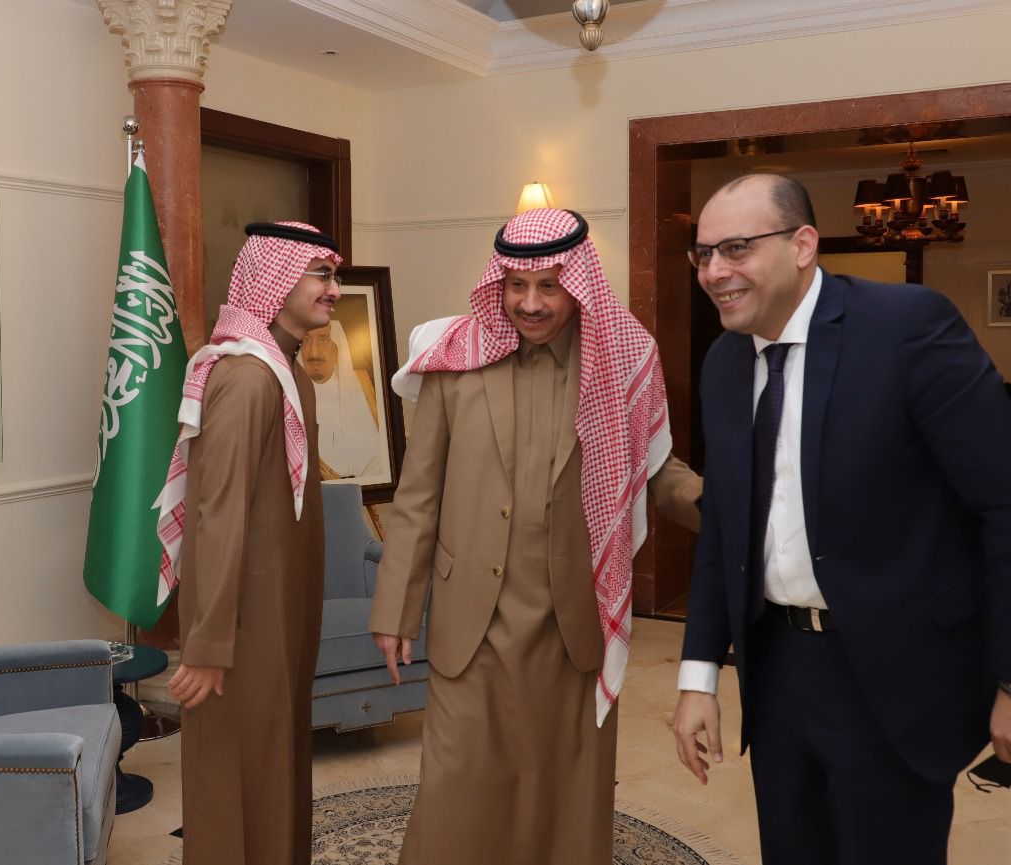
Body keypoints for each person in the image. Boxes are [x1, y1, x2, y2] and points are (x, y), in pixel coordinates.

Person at [671, 174, 1011, 865]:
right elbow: (724, 530)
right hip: (777, 671)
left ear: (803, 244)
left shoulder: (907, 328)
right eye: (703, 254)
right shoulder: (724, 364)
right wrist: (698, 675)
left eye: (736, 248)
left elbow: (1010, 507)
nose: (714, 271)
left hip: (897, 675)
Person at [369, 208, 702, 865]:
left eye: (549, 286)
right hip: (472, 618)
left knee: (563, 796)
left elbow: (656, 470)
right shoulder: (454, 359)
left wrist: (740, 514)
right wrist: (395, 609)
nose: (530, 303)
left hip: (569, 619)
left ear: (576, 284)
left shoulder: (618, 358)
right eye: (516, 286)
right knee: (458, 791)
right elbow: (417, 496)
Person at [156, 221, 342, 865]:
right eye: (320, 274)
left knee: (274, 765)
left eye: (334, 275)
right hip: (241, 625)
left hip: (277, 612)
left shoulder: (288, 374)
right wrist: (209, 645)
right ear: (275, 279)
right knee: (235, 781)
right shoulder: (246, 377)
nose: (333, 289)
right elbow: (216, 513)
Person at [299, 320, 384, 480]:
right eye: (306, 340)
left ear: (337, 349)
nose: (313, 352)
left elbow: (381, 456)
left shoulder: (364, 387)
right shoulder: (288, 398)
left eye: (323, 340)